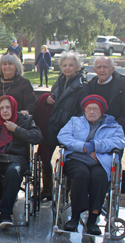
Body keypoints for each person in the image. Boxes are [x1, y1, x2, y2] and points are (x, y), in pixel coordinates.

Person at [57, 95, 125, 235]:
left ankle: (92, 220)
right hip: (76, 158)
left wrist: (96, 146)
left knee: (100, 177)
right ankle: (75, 217)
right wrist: (83, 146)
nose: (92, 112)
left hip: (99, 161)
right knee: (81, 174)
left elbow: (120, 141)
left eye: (96, 109)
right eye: (89, 109)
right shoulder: (74, 121)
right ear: (84, 110)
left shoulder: (113, 125)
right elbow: (62, 136)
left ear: (102, 111)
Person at [0, 95, 43, 228]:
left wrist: (16, 129)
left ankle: (5, 212)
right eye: (2, 108)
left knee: (14, 171)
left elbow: (37, 137)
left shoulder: (25, 120)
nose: (5, 111)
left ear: (14, 108)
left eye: (8, 107)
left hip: (15, 159)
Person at [35, 51, 88, 200]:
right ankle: (47, 189)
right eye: (65, 65)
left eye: (71, 65)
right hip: (53, 124)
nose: (68, 68)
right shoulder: (59, 81)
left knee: (68, 159)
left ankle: (65, 192)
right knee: (44, 156)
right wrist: (48, 100)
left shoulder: (83, 86)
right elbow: (54, 98)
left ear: (77, 66)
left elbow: (82, 110)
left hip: (70, 128)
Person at [88, 56, 125, 146]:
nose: (102, 70)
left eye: (105, 67)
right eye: (99, 67)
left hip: (116, 134)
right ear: (95, 70)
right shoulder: (90, 86)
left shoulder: (122, 87)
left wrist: (115, 126)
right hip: (93, 133)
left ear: (112, 69)